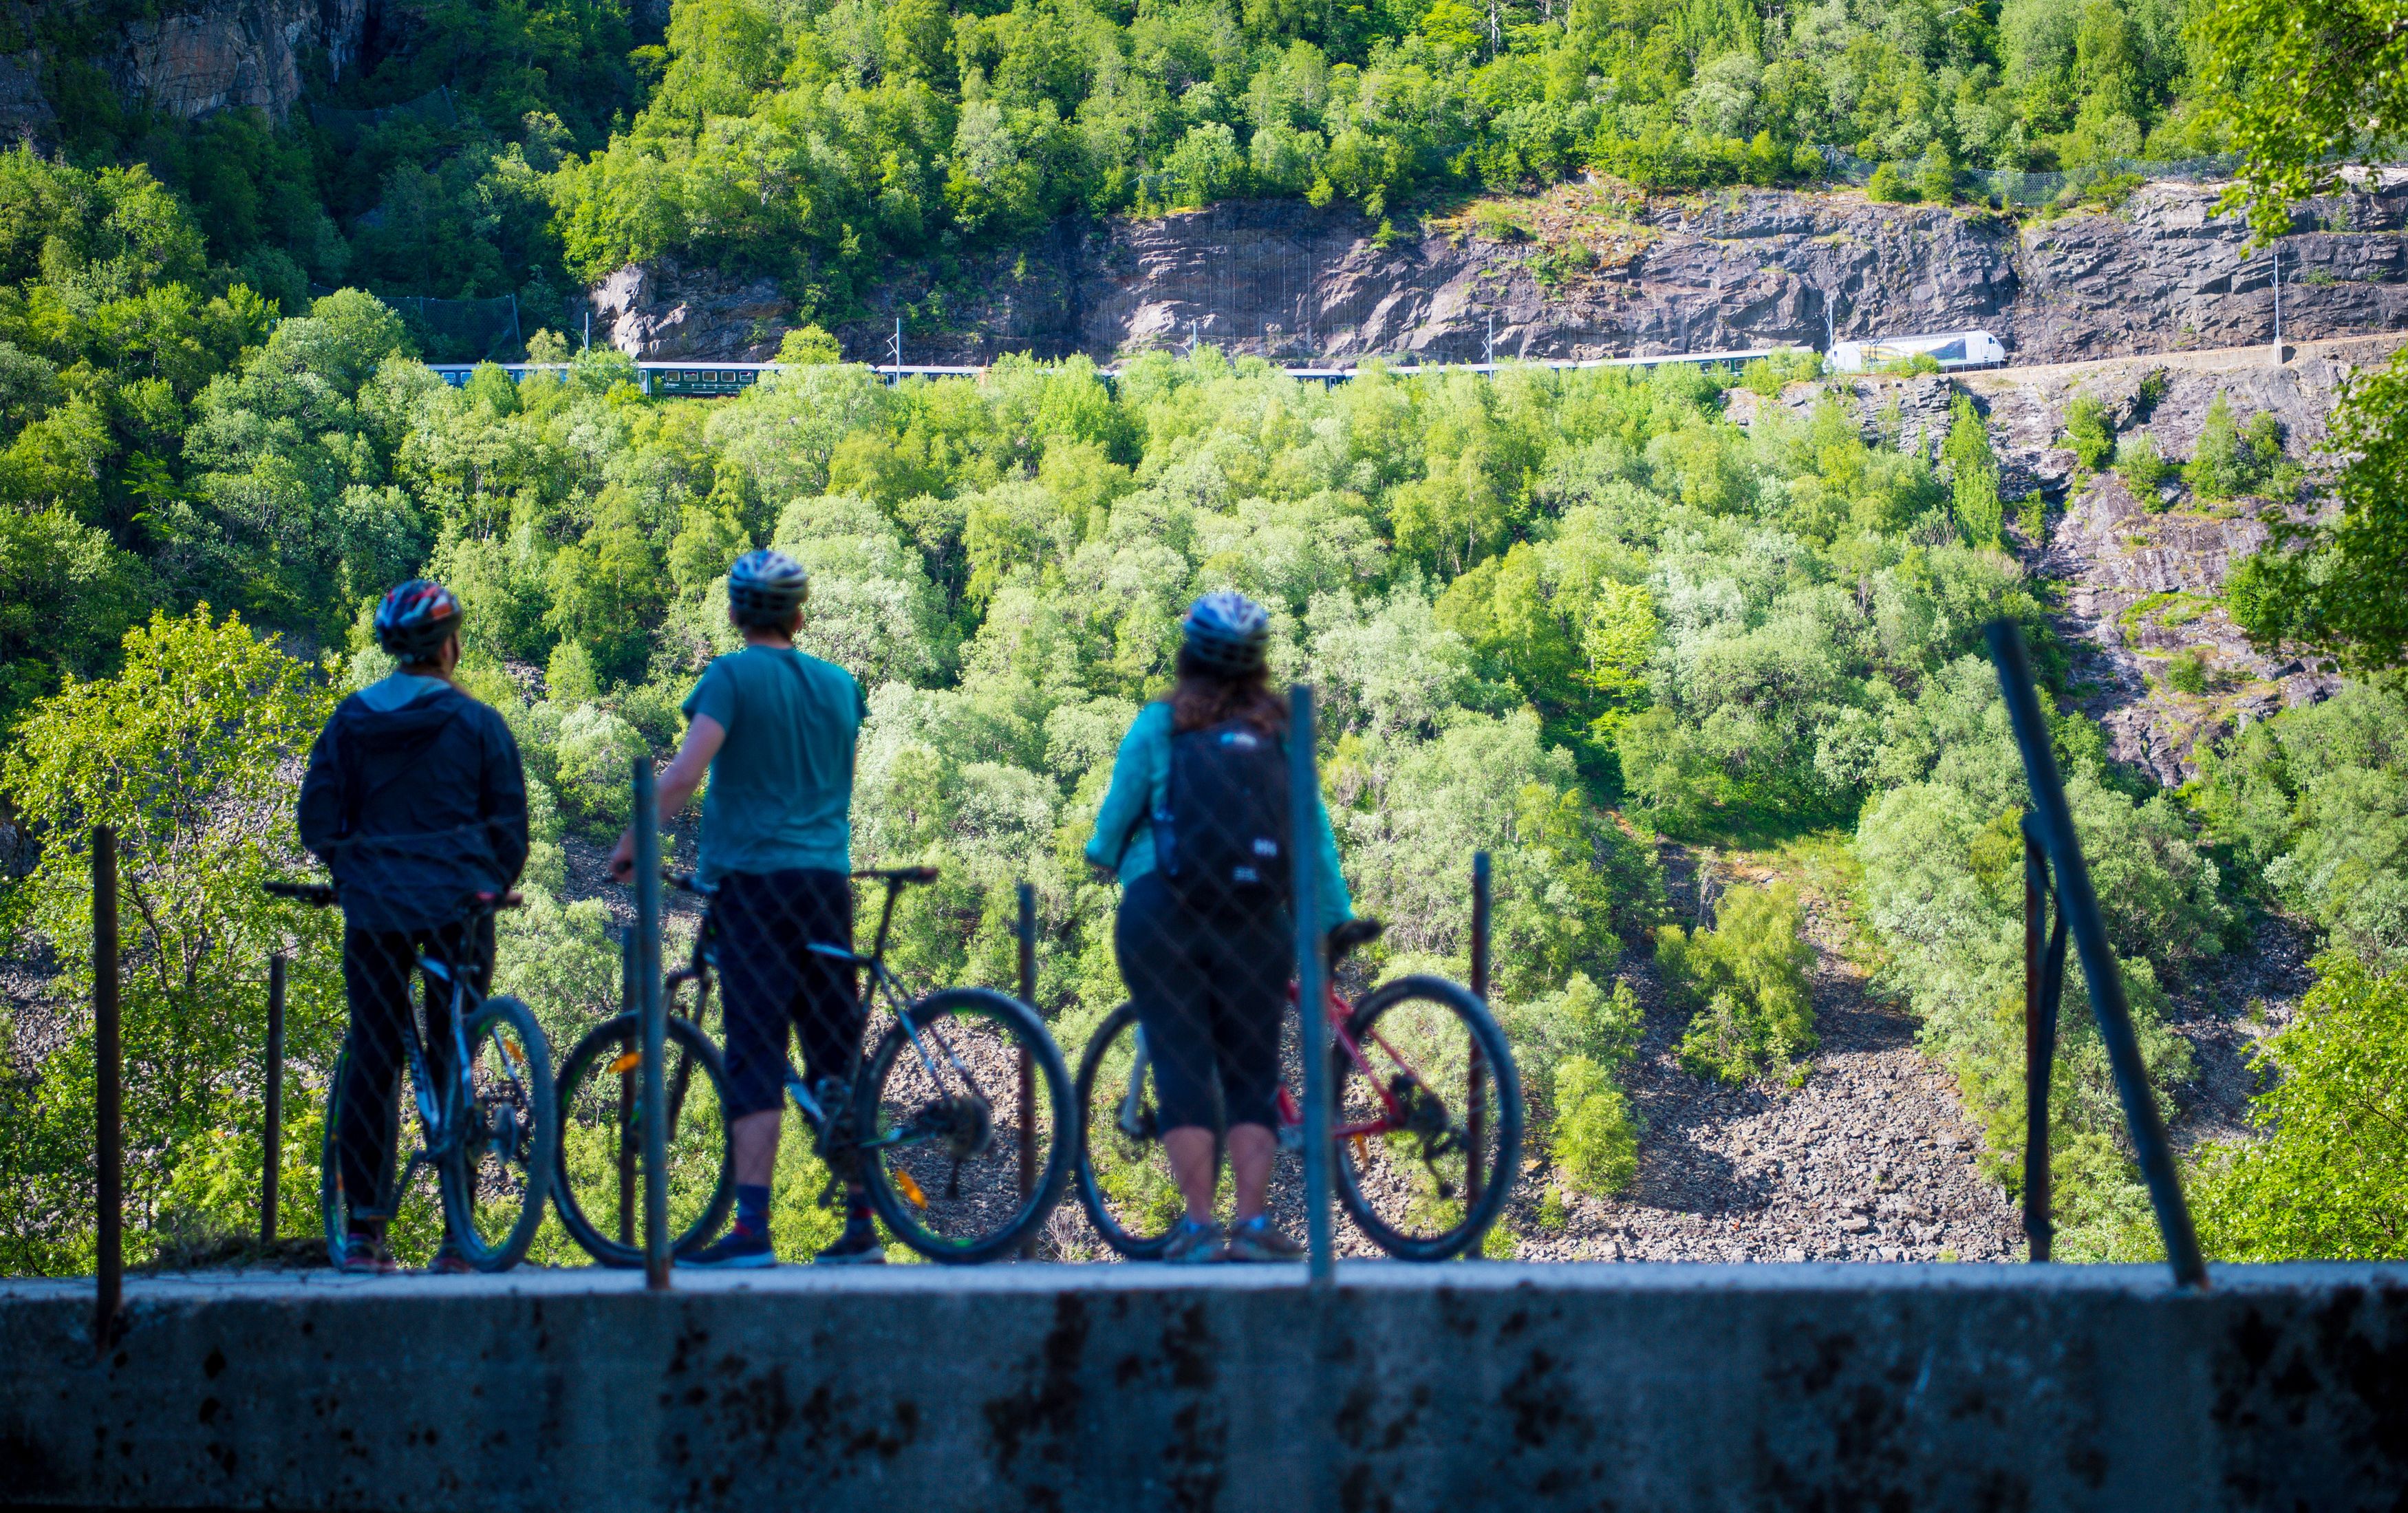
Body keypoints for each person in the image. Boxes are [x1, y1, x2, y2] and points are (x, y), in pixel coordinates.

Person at [608, 548, 874, 1267]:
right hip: (825, 882)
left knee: (755, 1044)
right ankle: (861, 1225)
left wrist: (636, 838)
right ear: (799, 613)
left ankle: (752, 1232)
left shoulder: (728, 677)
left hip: (753, 883)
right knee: (832, 1050)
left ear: (734, 613)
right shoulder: (839, 686)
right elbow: (838, 785)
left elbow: (686, 772)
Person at [1084, 590, 1353, 1263]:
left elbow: (1111, 825)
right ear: (1257, 663)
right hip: (1253, 921)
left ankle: (1200, 1229)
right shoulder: (1279, 735)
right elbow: (1312, 837)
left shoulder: (1159, 725)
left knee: (1180, 1065)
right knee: (1250, 1073)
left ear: (1189, 656)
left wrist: (1101, 856)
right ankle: (1255, 1226)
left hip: (1163, 916)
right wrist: (1326, 923)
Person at [298, 579, 530, 1275]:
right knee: (452, 1050)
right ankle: (459, 1242)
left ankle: (366, 1234)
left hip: (375, 909)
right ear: (450, 646)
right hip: (459, 906)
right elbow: (510, 823)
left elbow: (317, 817)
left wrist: (348, 869)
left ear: (393, 650)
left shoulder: (349, 719)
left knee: (375, 1053)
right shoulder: (479, 723)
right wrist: (495, 881)